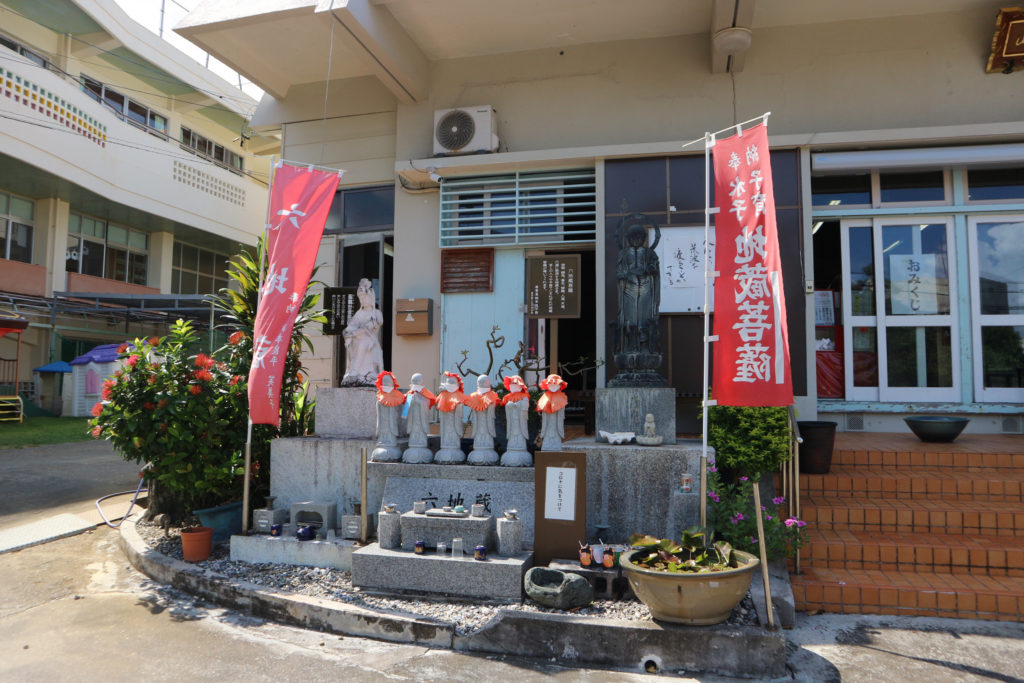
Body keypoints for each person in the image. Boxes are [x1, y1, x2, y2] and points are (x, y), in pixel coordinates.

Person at [341, 278, 384, 385]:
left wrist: (356, 332)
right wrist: (347, 333)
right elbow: (350, 327)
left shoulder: (376, 314)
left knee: (363, 342)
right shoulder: (359, 314)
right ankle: (353, 372)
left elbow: (368, 328)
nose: (363, 300)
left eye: (365, 298)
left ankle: (356, 372)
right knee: (354, 342)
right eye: (361, 298)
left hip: (371, 341)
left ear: (371, 298)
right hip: (356, 340)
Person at [465, 374, 499, 465]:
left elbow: (492, 411)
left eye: (484, 381)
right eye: (480, 382)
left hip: (487, 422)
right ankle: (478, 447)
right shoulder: (473, 396)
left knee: (487, 435)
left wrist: (489, 406)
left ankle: (488, 447)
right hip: (478, 422)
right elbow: (474, 412)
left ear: (489, 383)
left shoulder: (492, 395)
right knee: (479, 435)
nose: (482, 383)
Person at [370, 371, 404, 462]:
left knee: (390, 435)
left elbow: (398, 412)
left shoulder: (396, 396)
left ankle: (390, 443)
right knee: (383, 433)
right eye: (384, 382)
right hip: (383, 422)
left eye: (388, 382)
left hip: (391, 423)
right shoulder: (380, 397)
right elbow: (379, 414)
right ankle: (383, 443)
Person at [402, 372, 435, 464]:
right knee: (413, 433)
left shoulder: (426, 394)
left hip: (421, 420)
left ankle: (421, 445)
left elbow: (427, 407)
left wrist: (419, 402)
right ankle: (413, 445)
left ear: (422, 382)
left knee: (421, 434)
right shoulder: (409, 395)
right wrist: (411, 402)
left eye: (418, 380)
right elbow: (405, 412)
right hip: (413, 420)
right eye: (414, 381)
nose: (416, 382)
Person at [434, 371, 466, 464]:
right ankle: (445, 446)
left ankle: (454, 447)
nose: (450, 384)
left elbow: (460, 409)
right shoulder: (443, 395)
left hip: (454, 420)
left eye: (452, 382)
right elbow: (438, 406)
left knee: (453, 434)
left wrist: (458, 406)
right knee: (447, 434)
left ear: (458, 384)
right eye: (449, 382)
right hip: (446, 421)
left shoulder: (459, 396)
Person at [501, 375, 532, 467]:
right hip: (512, 423)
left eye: (515, 384)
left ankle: (521, 449)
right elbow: (506, 406)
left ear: (520, 386)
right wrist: (509, 406)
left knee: (520, 436)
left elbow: (525, 406)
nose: (512, 386)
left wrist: (518, 405)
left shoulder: (524, 396)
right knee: (512, 436)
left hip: (520, 422)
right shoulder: (508, 397)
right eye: (511, 384)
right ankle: (511, 449)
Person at [536, 373, 568, 451]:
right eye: (550, 383)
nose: (553, 385)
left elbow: (561, 415)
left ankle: (556, 446)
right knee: (547, 439)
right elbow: (543, 412)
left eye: (555, 384)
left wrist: (557, 407)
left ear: (559, 385)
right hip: (548, 424)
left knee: (556, 439)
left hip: (556, 425)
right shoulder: (545, 397)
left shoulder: (561, 397)